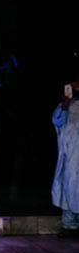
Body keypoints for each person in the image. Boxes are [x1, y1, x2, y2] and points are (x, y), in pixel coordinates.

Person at [52, 80, 79, 238]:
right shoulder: (68, 106)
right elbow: (57, 120)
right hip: (70, 157)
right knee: (69, 187)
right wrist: (65, 104)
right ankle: (69, 226)